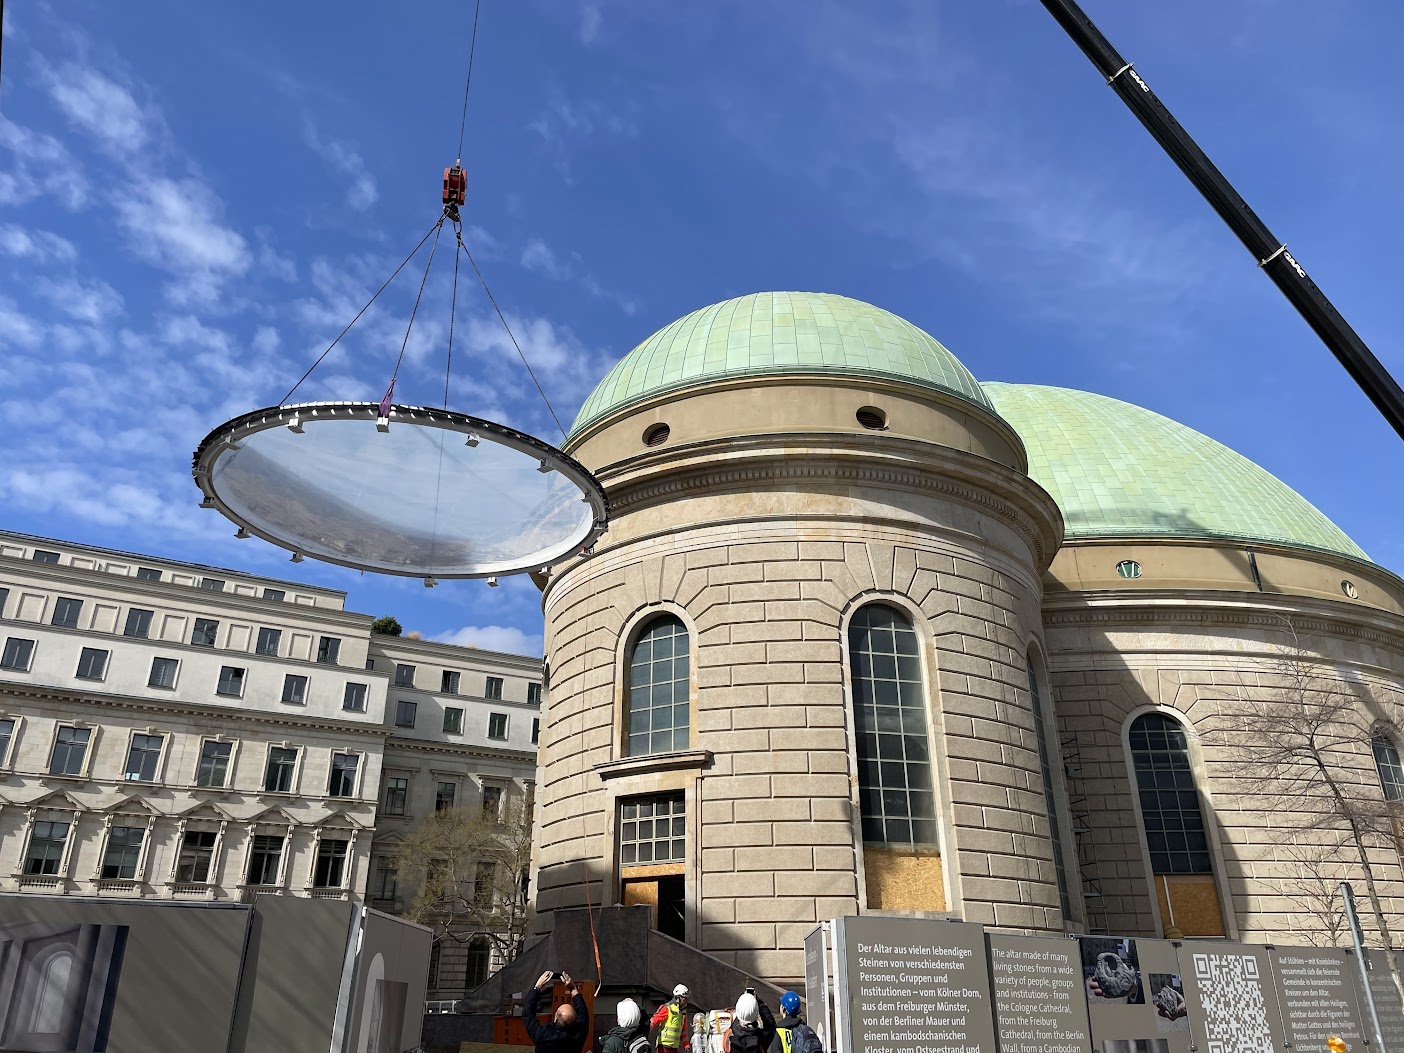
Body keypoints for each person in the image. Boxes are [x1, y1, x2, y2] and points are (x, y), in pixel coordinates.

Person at [523, 970, 589, 1053]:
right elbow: (583, 1013)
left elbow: (527, 1014)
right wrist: (573, 988)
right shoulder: (578, 1035)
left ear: (555, 1017)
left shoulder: (542, 1035)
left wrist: (538, 986)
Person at [651, 984, 691, 1052]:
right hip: (663, 1047)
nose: (686, 1001)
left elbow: (683, 1031)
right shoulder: (666, 1008)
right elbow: (653, 1022)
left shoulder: (683, 1012)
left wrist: (686, 1045)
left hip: (674, 1047)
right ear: (678, 998)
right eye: (684, 999)